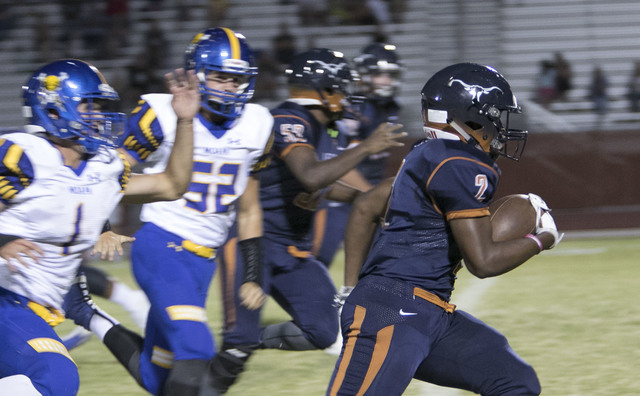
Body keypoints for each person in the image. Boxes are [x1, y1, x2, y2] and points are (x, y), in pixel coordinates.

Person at [327, 63, 563, 395]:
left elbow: (366, 204)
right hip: (392, 311)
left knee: (515, 380)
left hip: (430, 312)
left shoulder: (429, 155)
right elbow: (483, 262)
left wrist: (350, 291)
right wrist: (542, 238)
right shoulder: (457, 162)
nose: (500, 128)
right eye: (495, 117)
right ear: (470, 118)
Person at [64, 27, 273, 396]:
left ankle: (87, 315)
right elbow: (108, 172)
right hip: (162, 246)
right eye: (220, 77)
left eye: (237, 79)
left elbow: (250, 209)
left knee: (157, 376)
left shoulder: (259, 124)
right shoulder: (161, 111)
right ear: (197, 74)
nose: (229, 87)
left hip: (203, 262)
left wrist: (251, 273)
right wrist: (103, 225)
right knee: (198, 349)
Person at [0, 59, 197, 396]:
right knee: (56, 375)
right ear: (55, 109)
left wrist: (185, 121)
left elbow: (173, 185)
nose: (98, 116)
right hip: (7, 300)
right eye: (88, 105)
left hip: (39, 308)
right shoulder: (24, 155)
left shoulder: (103, 168)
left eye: (101, 106)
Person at [215, 48, 406, 392]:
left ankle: (249, 344)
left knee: (325, 330)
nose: (346, 95)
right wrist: (365, 148)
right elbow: (310, 176)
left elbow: (321, 184)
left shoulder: (323, 128)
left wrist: (363, 199)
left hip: (293, 252)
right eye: (340, 87)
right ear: (320, 90)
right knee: (236, 344)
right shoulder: (289, 119)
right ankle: (228, 356)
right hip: (253, 242)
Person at [312, 42, 405, 268]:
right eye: (379, 74)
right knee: (319, 258)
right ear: (363, 75)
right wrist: (372, 194)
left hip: (367, 191)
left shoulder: (391, 107)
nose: (386, 80)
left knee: (378, 262)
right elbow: (336, 161)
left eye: (390, 74)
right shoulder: (352, 108)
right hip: (339, 195)